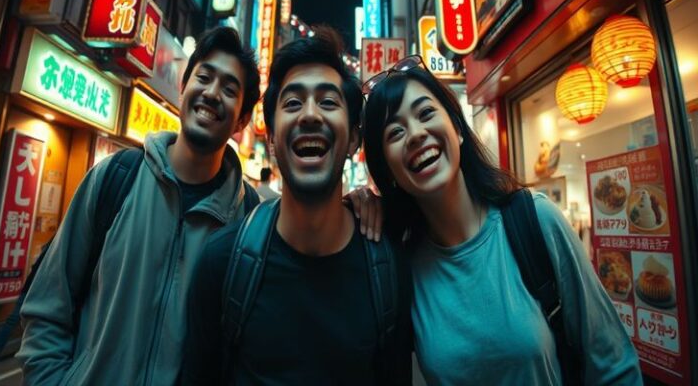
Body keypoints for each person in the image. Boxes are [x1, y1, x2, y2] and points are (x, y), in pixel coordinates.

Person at [361, 55, 643, 385]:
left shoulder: (536, 220)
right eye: (395, 133)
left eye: (425, 114)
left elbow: (614, 363)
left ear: (458, 130)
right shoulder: (402, 267)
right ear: (388, 172)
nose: (415, 135)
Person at [16, 27, 262, 385]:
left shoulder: (248, 221)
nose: (211, 94)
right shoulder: (115, 179)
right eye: (204, 77)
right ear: (184, 85)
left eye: (229, 89)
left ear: (241, 120)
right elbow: (49, 303)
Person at [182, 28, 411, 385]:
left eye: (328, 102)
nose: (309, 115)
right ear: (272, 137)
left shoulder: (388, 267)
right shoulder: (222, 261)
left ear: (353, 137)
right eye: (292, 103)